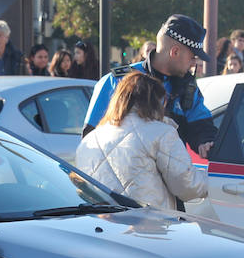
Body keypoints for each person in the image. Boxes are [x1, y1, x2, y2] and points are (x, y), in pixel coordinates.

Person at [82, 14, 216, 156]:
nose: (194, 63)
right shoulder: (117, 81)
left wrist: (206, 141)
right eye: (192, 56)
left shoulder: (188, 87)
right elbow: (90, 141)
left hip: (170, 175)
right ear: (174, 52)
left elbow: (201, 125)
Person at [76, 71, 209, 211]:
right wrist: (212, 181)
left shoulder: (90, 139)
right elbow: (187, 185)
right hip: (147, 224)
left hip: (100, 225)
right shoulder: (162, 133)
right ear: (158, 102)